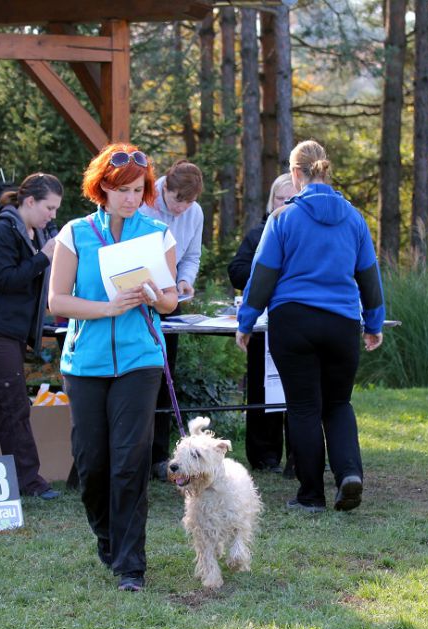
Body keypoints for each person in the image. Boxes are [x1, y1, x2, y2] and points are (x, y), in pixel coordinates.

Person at [49, 142, 178, 592]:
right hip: (85, 364)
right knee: (92, 464)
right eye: (121, 189)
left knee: (131, 461)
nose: (129, 197)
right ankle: (108, 538)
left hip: (140, 362)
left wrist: (154, 296)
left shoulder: (158, 234)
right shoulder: (74, 233)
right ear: (101, 187)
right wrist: (107, 307)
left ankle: (131, 566)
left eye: (137, 189)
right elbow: (57, 301)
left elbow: (170, 301)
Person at [235, 140, 385, 513]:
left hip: (294, 321)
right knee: (337, 404)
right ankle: (349, 473)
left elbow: (262, 276)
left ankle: (311, 495)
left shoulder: (283, 218)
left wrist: (246, 321)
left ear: (296, 175)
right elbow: (369, 275)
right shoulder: (353, 218)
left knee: (303, 407)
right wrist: (374, 321)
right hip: (342, 322)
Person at [0, 173, 63, 500]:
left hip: (9, 332)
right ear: (29, 201)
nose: (53, 215)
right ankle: (28, 481)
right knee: (14, 403)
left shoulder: (36, 232)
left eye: (56, 209)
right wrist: (43, 256)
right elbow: (7, 280)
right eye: (49, 207)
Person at [227, 173, 298, 475]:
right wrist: (266, 279)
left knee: (298, 391)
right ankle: (264, 455)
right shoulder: (259, 234)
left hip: (296, 323)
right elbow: (237, 270)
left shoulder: (306, 233)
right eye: (282, 198)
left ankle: (300, 454)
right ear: (273, 201)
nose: (286, 204)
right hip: (262, 323)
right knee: (262, 389)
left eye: (293, 198)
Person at [139, 160, 204, 480]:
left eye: (189, 202)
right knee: (139, 374)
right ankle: (135, 452)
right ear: (165, 189)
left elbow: (191, 256)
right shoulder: (142, 203)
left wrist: (185, 280)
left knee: (166, 374)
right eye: (178, 200)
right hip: (136, 297)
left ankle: (159, 455)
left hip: (170, 300)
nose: (182, 208)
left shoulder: (195, 213)